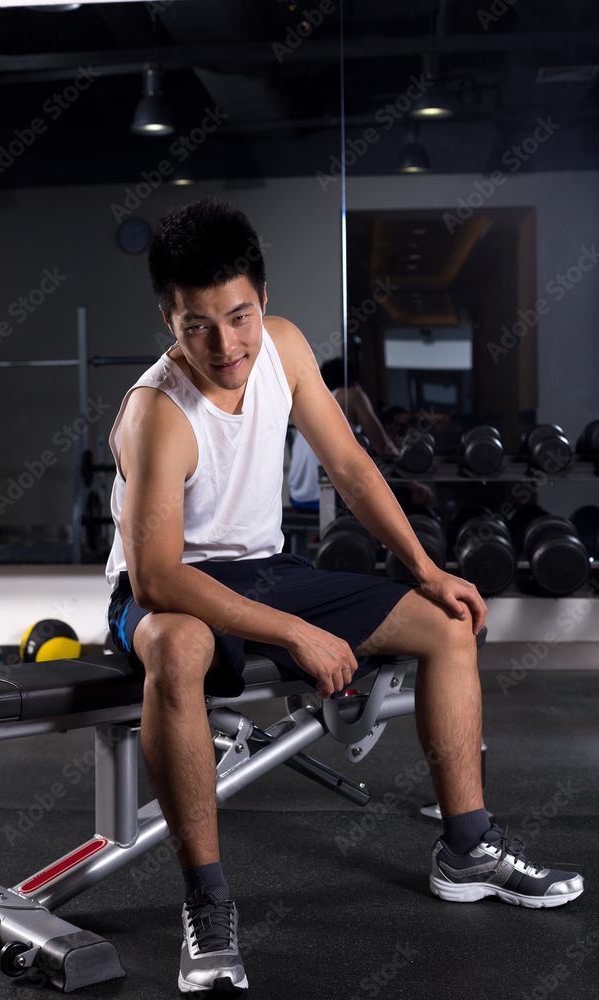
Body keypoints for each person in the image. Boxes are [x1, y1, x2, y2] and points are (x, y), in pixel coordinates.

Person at [105, 197, 584, 995]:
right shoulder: (160, 413)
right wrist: (293, 631)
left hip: (263, 568)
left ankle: (465, 847)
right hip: (171, 586)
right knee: (180, 643)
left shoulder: (284, 348)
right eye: (197, 326)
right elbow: (157, 579)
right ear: (168, 320)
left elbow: (353, 470)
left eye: (240, 316)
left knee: (443, 623)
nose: (225, 344)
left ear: (262, 298)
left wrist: (425, 570)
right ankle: (208, 902)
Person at [287, 358, 434, 509]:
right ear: (355, 383)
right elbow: (384, 447)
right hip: (325, 498)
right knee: (419, 497)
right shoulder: (352, 395)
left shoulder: (313, 401)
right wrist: (412, 484)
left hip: (297, 497)